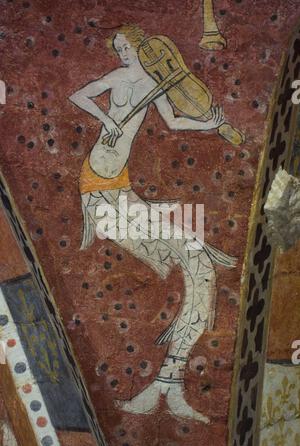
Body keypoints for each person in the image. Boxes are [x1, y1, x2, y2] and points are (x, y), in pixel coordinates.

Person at [69, 24, 236, 423]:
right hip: (99, 192)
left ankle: (169, 379)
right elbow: (78, 94)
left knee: (201, 264)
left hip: (123, 191)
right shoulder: (116, 78)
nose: (124, 52)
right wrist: (106, 119)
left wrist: (209, 125)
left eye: (129, 46)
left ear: (145, 46)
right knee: (196, 258)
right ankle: (166, 382)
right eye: (119, 47)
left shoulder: (157, 82)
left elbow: (176, 122)